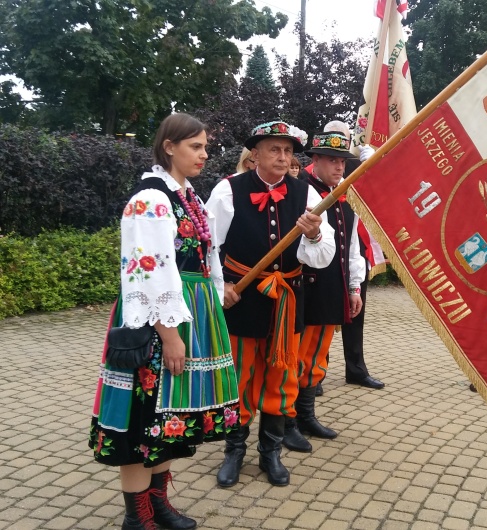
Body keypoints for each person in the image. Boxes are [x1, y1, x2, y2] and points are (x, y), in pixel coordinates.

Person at [89, 113, 240, 530]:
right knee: (144, 420)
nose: (204, 155)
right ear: (169, 146)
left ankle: (158, 504)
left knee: (169, 421)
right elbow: (148, 270)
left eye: (206, 147)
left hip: (189, 314)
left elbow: (204, 259)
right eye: (196, 146)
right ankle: (137, 517)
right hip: (157, 322)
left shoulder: (188, 195)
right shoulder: (151, 198)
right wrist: (170, 335)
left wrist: (215, 294)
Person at [206, 120, 334, 488]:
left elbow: (323, 256)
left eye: (288, 151)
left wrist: (312, 235)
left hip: (286, 303)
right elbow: (207, 246)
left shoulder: (307, 194)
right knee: (240, 379)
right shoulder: (228, 190)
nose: (282, 157)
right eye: (274, 150)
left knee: (281, 378)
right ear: (256, 154)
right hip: (242, 300)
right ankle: (234, 451)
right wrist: (221, 286)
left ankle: (270, 453)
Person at [282, 131, 366, 452]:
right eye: (331, 159)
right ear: (314, 160)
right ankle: (287, 420)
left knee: (317, 354)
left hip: (335, 286)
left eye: (342, 161)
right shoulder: (299, 191)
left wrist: (355, 286)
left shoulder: (344, 194)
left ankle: (306, 414)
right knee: (296, 356)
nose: (339, 166)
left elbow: (353, 245)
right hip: (305, 287)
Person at [315, 120, 385, 391]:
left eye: (347, 141)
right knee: (320, 319)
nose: (340, 159)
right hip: (319, 263)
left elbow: (381, 187)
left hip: (353, 253)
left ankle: (356, 368)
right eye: (335, 142)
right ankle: (316, 372)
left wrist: (375, 160)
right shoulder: (311, 177)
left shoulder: (354, 167)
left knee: (355, 313)